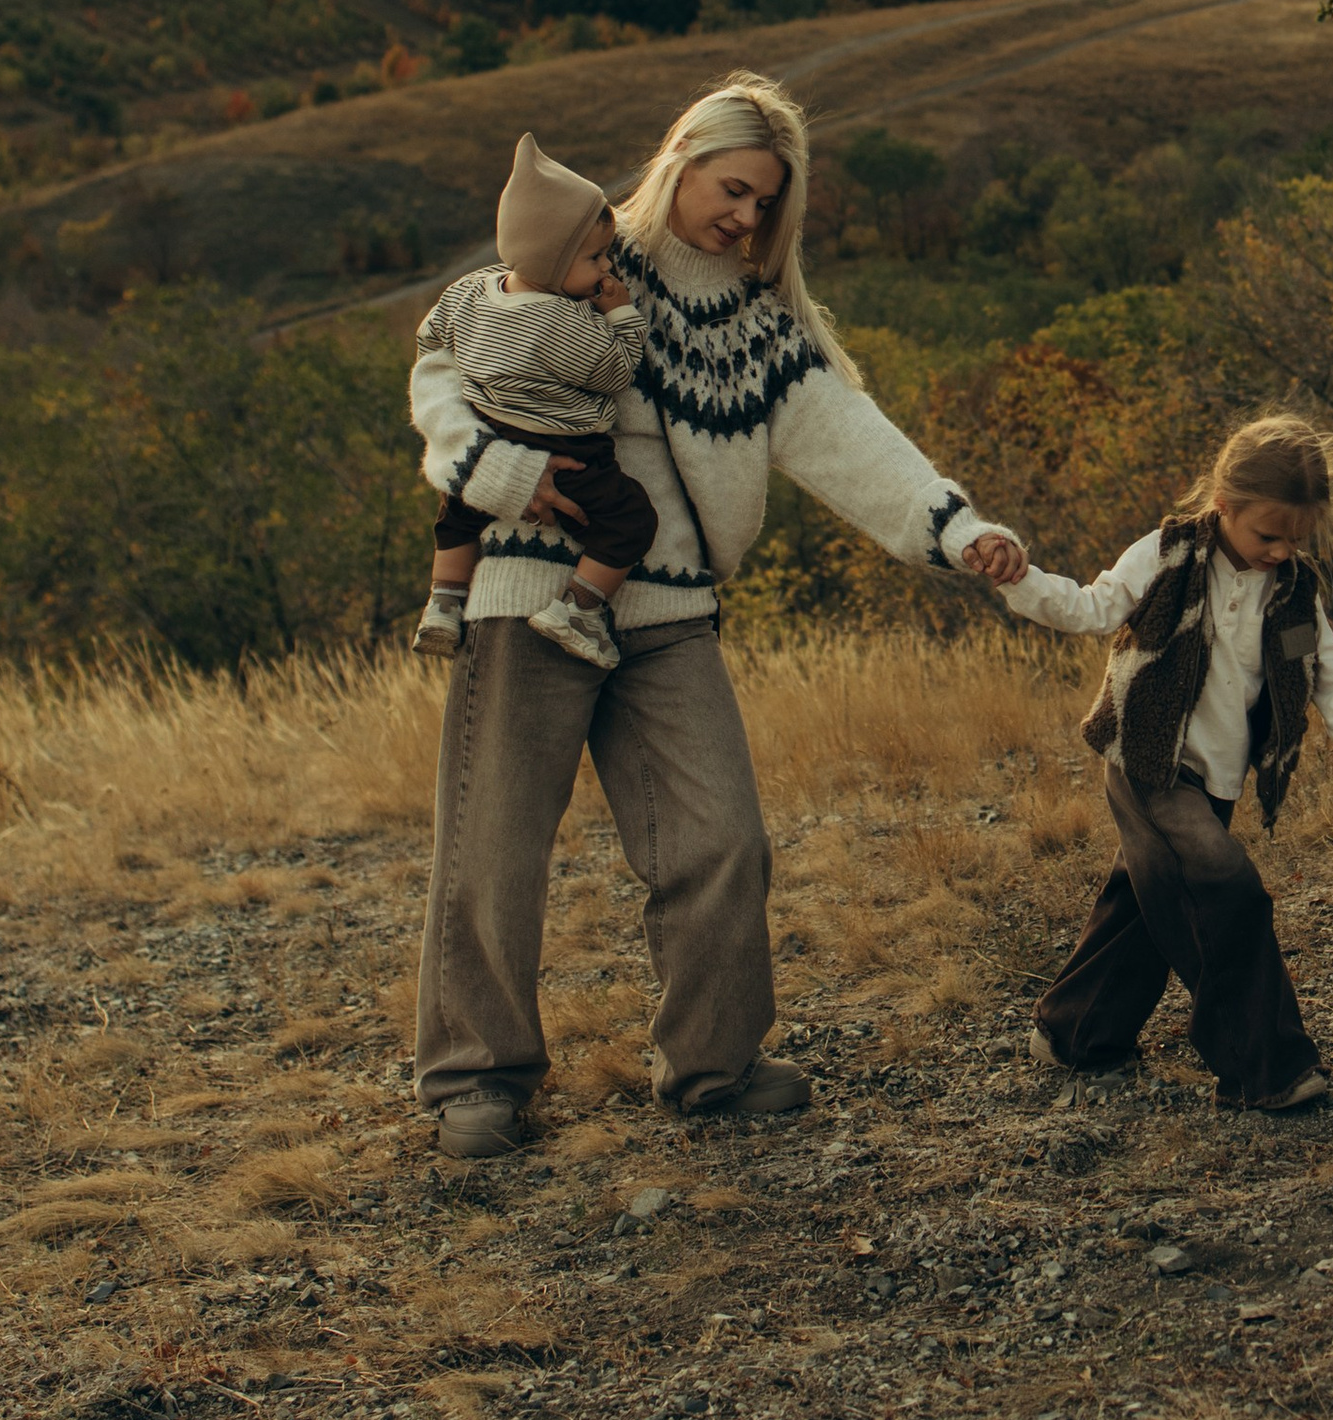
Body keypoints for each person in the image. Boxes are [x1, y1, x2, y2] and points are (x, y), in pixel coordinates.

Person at [406, 70, 1025, 1155]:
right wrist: (494, 472)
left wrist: (952, 524)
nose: (745, 216)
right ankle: (477, 1078)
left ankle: (712, 1065)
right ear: (680, 159)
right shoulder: (582, 257)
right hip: (524, 589)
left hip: (667, 614)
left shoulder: (759, 329)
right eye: (733, 189)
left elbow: (849, 433)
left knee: (722, 840)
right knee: (493, 846)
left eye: (765, 204)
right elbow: (443, 363)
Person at [994, 413, 1333, 1112]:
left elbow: (1328, 673)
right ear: (1223, 504)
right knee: (1224, 887)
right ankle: (1267, 1069)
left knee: (1147, 909)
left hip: (1214, 780)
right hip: (1146, 763)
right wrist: (1019, 578)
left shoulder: (1293, 591)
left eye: (1293, 538)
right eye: (1265, 534)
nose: (1279, 550)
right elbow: (1091, 607)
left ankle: (1074, 1032)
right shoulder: (1169, 555)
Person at [412, 133, 657, 671]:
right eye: (594, 258)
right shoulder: (561, 322)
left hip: (491, 436)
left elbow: (431, 336)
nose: (605, 270)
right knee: (630, 519)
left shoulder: (473, 290)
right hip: (568, 451)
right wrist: (620, 314)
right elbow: (617, 371)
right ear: (553, 259)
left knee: (457, 513)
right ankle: (578, 611)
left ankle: (443, 604)